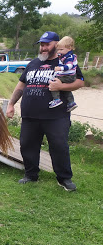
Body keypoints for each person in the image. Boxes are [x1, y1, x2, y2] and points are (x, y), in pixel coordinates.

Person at [6, 31, 84, 191]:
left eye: (46, 44)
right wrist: (11, 103)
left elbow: (79, 82)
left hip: (56, 116)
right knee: (27, 145)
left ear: (57, 44)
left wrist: (60, 87)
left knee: (59, 146)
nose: (43, 48)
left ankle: (64, 179)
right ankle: (30, 175)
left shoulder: (64, 61)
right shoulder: (33, 63)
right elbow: (21, 85)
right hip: (30, 115)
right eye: (41, 44)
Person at [49, 36, 78, 112]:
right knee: (66, 89)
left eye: (61, 49)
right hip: (69, 76)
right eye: (58, 50)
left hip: (68, 76)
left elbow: (69, 66)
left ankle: (56, 99)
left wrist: (60, 68)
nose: (59, 51)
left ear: (69, 48)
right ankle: (71, 102)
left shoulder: (69, 57)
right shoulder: (64, 55)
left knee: (53, 82)